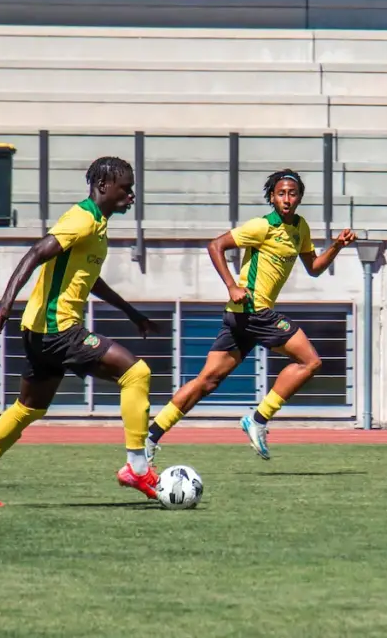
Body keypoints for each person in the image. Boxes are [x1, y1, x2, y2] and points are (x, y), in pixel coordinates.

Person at [0, 156, 160, 507]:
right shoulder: (82, 219)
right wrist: (4, 304)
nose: (131, 195)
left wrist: (131, 313)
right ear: (104, 186)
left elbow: (89, 279)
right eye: (126, 188)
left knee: (28, 408)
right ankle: (137, 467)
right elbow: (35, 252)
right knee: (136, 373)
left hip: (37, 331)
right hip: (57, 328)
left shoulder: (97, 224)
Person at [145, 169, 356, 461]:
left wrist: (336, 245)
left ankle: (151, 436)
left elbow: (315, 268)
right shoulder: (262, 226)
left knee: (207, 380)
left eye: (292, 194)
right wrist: (232, 285)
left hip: (242, 317)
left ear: (299, 198)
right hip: (254, 310)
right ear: (272, 197)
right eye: (281, 193)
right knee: (310, 361)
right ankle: (258, 419)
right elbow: (215, 245)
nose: (286, 199)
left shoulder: (300, 228)